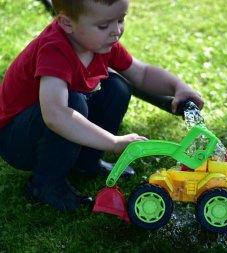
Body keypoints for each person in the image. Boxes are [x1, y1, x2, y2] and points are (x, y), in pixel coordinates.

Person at [0, 0, 203, 212]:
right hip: (18, 140)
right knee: (72, 103)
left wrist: (178, 87)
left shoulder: (99, 42)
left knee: (117, 87)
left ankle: (87, 163)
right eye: (104, 26)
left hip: (47, 122)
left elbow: (141, 74)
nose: (116, 31)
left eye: (120, 19)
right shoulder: (54, 50)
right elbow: (55, 114)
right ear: (67, 23)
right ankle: (45, 183)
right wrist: (113, 142)